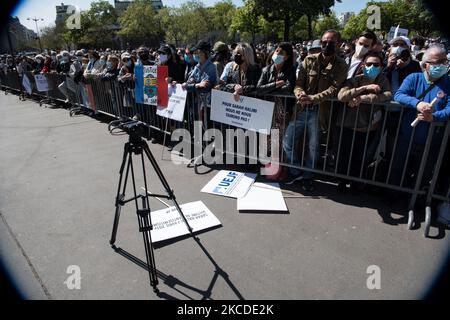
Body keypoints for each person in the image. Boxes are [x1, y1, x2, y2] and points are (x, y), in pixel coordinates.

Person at [282, 30, 348, 191]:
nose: (326, 45)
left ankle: (308, 177)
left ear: (338, 44)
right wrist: (300, 94)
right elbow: (298, 83)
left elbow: (334, 89)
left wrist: (314, 98)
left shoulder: (341, 65)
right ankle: (296, 171)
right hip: (301, 109)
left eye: (331, 42)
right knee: (287, 142)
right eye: (324, 42)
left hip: (320, 112)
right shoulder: (308, 60)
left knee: (313, 147)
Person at [390, 44, 450, 189]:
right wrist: (417, 103)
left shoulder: (448, 83)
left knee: (424, 173)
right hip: (407, 135)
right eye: (437, 62)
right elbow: (399, 94)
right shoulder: (414, 78)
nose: (442, 65)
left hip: (432, 140)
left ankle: (417, 200)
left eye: (444, 61)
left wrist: (434, 117)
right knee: (398, 168)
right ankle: (392, 194)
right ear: (425, 64)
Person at [336, 52, 392, 192]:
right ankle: (342, 182)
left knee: (360, 157)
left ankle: (355, 183)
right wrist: (363, 89)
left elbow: (388, 94)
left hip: (368, 128)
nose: (372, 67)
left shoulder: (383, 80)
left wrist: (365, 98)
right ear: (363, 65)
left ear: (381, 66)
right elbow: (342, 95)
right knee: (344, 155)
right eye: (369, 64)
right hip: (348, 125)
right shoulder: (354, 80)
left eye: (376, 64)